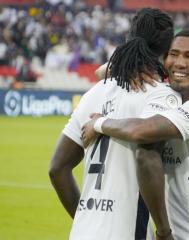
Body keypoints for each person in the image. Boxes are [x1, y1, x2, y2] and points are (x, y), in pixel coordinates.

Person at [81, 29, 189, 240]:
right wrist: (135, 67)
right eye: (174, 54)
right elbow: (101, 72)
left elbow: (140, 131)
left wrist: (98, 123)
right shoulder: (169, 100)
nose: (179, 62)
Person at [49, 8, 178, 240]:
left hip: (82, 232)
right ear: (168, 51)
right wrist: (164, 231)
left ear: (130, 37)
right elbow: (146, 159)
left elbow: (57, 169)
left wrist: (86, 219)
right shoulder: (161, 97)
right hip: (129, 233)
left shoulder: (96, 91)